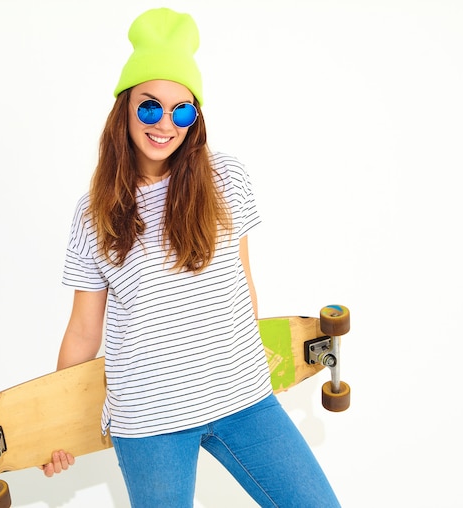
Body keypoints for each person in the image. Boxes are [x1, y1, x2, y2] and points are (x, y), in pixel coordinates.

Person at [43, 7, 340, 508]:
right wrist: (52, 422)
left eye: (182, 110)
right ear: (123, 109)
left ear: (195, 118)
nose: (166, 123)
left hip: (243, 399)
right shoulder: (93, 212)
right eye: (150, 106)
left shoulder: (227, 179)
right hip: (149, 419)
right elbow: (83, 331)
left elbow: (243, 283)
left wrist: (254, 363)